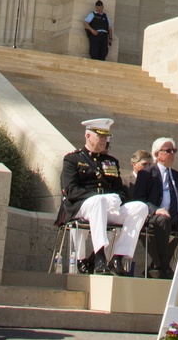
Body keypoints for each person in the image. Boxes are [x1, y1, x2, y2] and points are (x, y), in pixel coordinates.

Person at [59, 118, 148, 276]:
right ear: (88, 136)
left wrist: (117, 199)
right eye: (100, 136)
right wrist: (100, 197)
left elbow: (119, 189)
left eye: (106, 137)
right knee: (99, 200)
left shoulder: (111, 162)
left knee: (140, 207)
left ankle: (117, 258)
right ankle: (99, 256)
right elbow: (71, 191)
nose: (104, 140)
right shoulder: (73, 159)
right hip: (82, 207)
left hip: (105, 208)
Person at [130, 137, 178, 278]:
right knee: (163, 221)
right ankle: (164, 265)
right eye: (168, 150)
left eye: (174, 151)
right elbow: (139, 199)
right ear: (157, 155)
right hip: (155, 215)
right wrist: (155, 209)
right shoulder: (146, 174)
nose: (172, 153)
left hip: (177, 216)